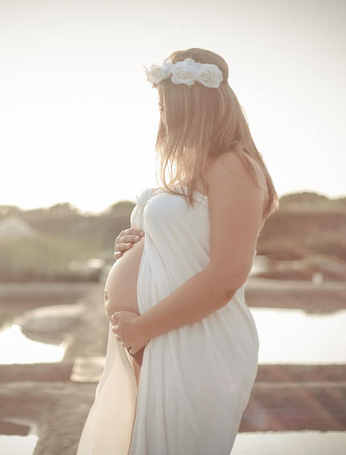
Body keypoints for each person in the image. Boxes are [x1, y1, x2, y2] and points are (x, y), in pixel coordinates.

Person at [77, 48, 279, 455]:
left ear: (194, 106)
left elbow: (226, 276)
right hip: (159, 336)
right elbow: (189, 242)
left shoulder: (233, 166)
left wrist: (142, 328)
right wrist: (141, 241)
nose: (163, 116)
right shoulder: (195, 171)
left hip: (196, 340)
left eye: (167, 105)